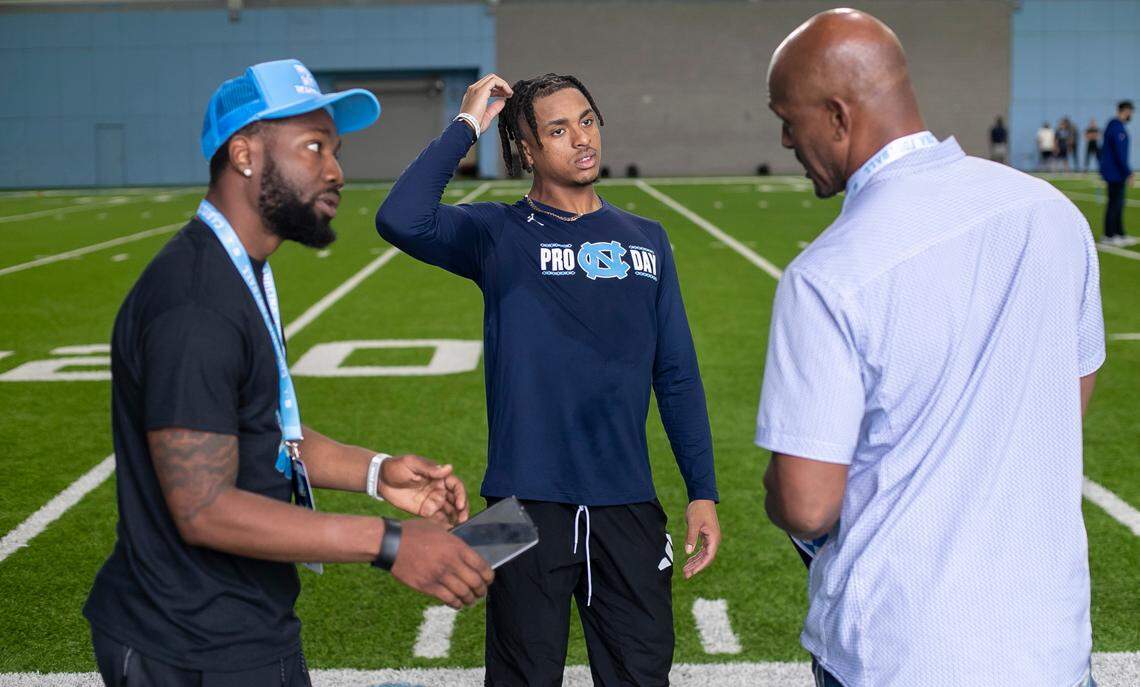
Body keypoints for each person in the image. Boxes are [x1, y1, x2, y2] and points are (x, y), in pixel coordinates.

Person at [83, 59, 494, 687]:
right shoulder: (196, 304)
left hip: (234, 624)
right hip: (191, 646)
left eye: (335, 148)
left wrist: (378, 472)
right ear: (244, 154)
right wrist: (389, 543)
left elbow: (259, 433)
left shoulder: (236, 271)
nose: (336, 171)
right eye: (313, 147)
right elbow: (204, 509)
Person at [761, 9, 1103, 687]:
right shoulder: (1052, 214)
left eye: (786, 117)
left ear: (837, 115)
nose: (784, 139)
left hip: (900, 652)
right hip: (1051, 650)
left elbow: (806, 503)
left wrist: (775, 489)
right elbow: (1068, 402)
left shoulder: (827, 274)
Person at [376, 73, 721, 686]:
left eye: (587, 121)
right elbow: (400, 218)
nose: (581, 140)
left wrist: (702, 491)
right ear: (527, 151)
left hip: (629, 503)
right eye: (557, 130)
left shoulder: (648, 240)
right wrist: (466, 126)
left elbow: (677, 374)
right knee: (518, 676)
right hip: (516, 505)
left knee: (643, 675)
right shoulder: (496, 233)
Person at [1098, 100, 1135, 246]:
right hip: (1115, 173)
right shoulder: (1116, 128)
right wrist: (1128, 172)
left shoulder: (1115, 127)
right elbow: (1120, 154)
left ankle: (1119, 233)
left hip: (1115, 172)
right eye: (1130, 112)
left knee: (1118, 203)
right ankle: (1109, 235)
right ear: (1125, 111)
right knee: (1115, 204)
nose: (1131, 115)